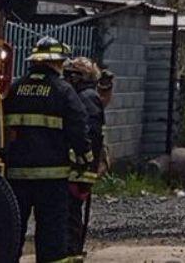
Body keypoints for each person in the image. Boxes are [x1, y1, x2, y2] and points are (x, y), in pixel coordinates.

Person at [5, 36, 92, 263]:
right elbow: (79, 129)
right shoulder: (63, 91)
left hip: (16, 177)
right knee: (51, 237)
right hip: (51, 180)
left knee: (12, 233)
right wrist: (86, 161)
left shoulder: (14, 89)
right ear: (55, 63)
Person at [63, 56, 105, 258]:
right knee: (69, 214)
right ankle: (71, 251)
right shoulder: (84, 95)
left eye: (72, 74)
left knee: (71, 215)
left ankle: (73, 252)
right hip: (76, 168)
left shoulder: (87, 97)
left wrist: (85, 165)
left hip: (78, 171)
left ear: (82, 77)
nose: (67, 78)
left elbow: (91, 135)